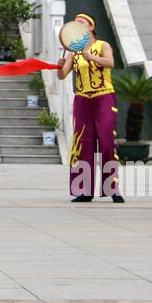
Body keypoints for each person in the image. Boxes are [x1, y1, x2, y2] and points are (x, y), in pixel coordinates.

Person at [57, 13, 123, 204]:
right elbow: (62, 76)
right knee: (82, 143)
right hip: (83, 98)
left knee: (106, 141)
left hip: (103, 96)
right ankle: (83, 190)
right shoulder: (73, 52)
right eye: (76, 23)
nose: (78, 25)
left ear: (91, 27)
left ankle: (112, 188)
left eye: (82, 22)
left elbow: (110, 63)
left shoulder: (102, 45)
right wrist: (59, 67)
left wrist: (91, 57)